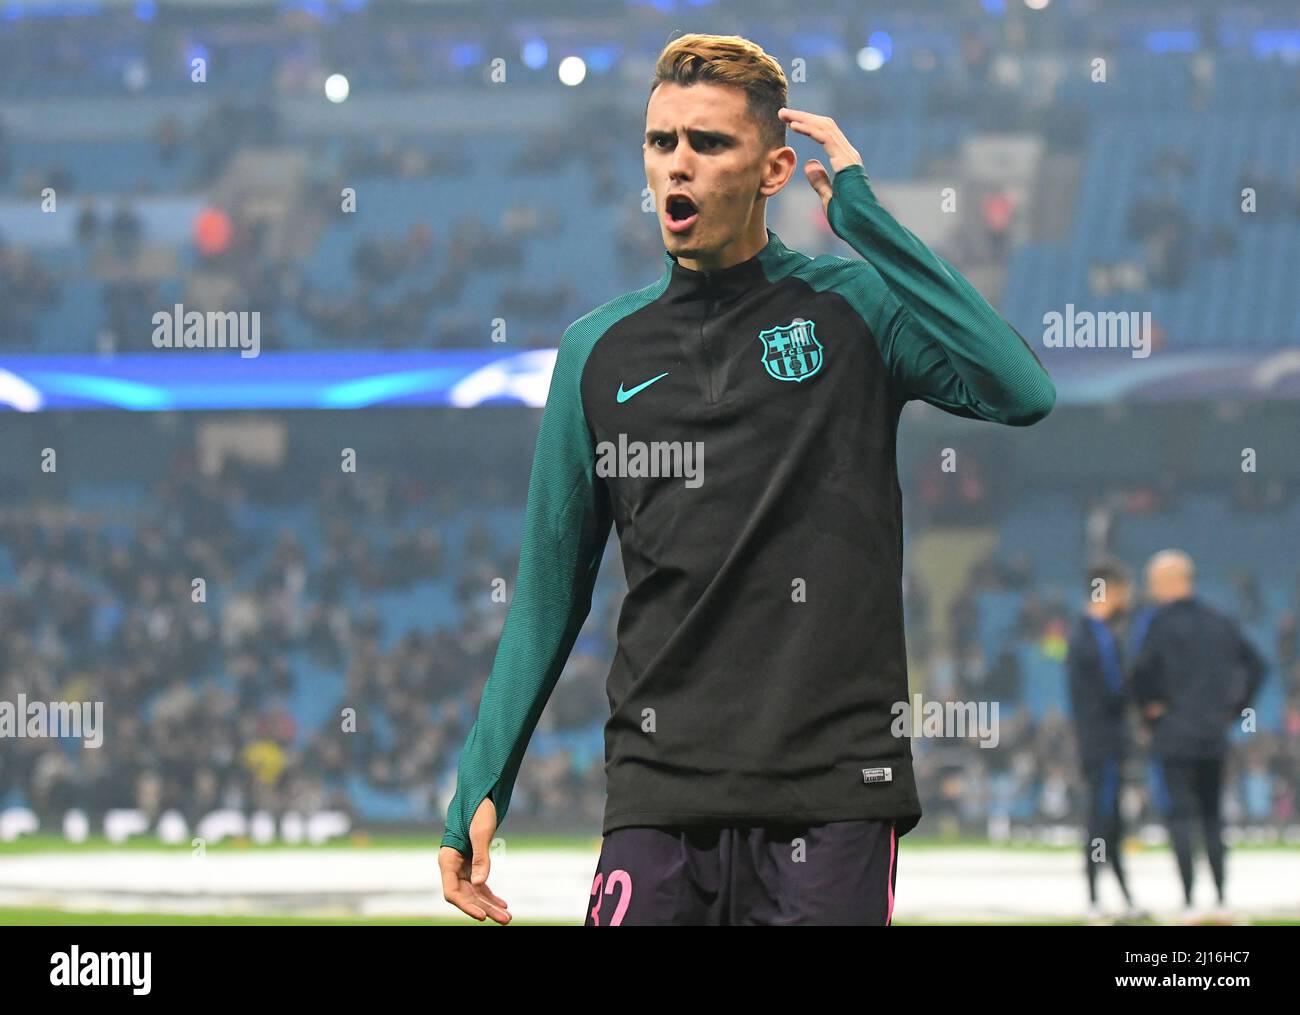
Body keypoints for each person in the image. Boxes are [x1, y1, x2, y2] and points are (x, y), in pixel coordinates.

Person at [438, 32, 1055, 926]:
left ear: (773, 171)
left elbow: (1020, 388)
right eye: (662, 143)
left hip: (834, 788)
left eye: (709, 144)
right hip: (658, 792)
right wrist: (481, 783)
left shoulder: (852, 310)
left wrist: (866, 221)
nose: (677, 166)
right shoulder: (596, 351)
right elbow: (547, 589)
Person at [1131, 549, 1267, 923]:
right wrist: (1237, 709)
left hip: (1173, 733)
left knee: (1179, 817)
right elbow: (1257, 665)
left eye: (1155, 581)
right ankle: (1221, 898)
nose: (1151, 588)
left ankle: (1189, 901)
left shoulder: (1156, 624)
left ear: (1171, 581)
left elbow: (1140, 673)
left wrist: (1149, 709)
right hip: (1212, 733)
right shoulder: (1219, 621)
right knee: (1213, 817)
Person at [1065, 559, 1147, 922]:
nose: (1127, 598)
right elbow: (1116, 691)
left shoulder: (1085, 634)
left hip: (1097, 743)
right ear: (1109, 591)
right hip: (1104, 746)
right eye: (1123, 590)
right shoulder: (1098, 636)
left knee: (1110, 821)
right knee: (1100, 821)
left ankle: (1121, 898)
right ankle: (1094, 901)